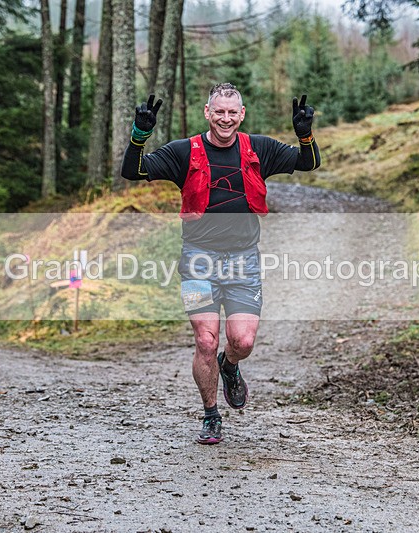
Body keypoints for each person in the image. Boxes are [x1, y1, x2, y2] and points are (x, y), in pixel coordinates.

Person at [121, 83, 320, 444]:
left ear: (241, 114)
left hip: (244, 262)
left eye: (232, 112)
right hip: (198, 261)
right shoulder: (185, 151)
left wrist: (304, 136)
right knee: (206, 340)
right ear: (207, 112)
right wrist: (139, 135)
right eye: (219, 111)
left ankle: (231, 367)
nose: (225, 118)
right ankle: (211, 415)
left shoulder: (258, 148)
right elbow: (133, 171)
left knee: (241, 340)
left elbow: (308, 162)